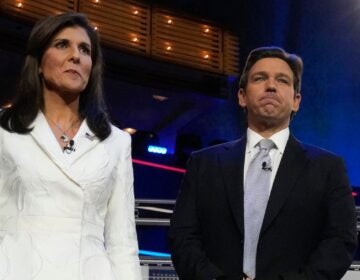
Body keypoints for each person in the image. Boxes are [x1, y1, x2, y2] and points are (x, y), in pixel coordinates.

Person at [168, 46, 358, 280]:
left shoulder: (328, 169)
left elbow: (340, 242)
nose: (271, 86)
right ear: (242, 96)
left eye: (282, 80)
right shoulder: (203, 164)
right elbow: (183, 237)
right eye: (260, 78)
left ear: (296, 100)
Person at [0, 13, 142, 279]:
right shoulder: (5, 129)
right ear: (39, 63)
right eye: (62, 45)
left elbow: (122, 240)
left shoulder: (117, 142)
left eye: (85, 49)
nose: (76, 56)